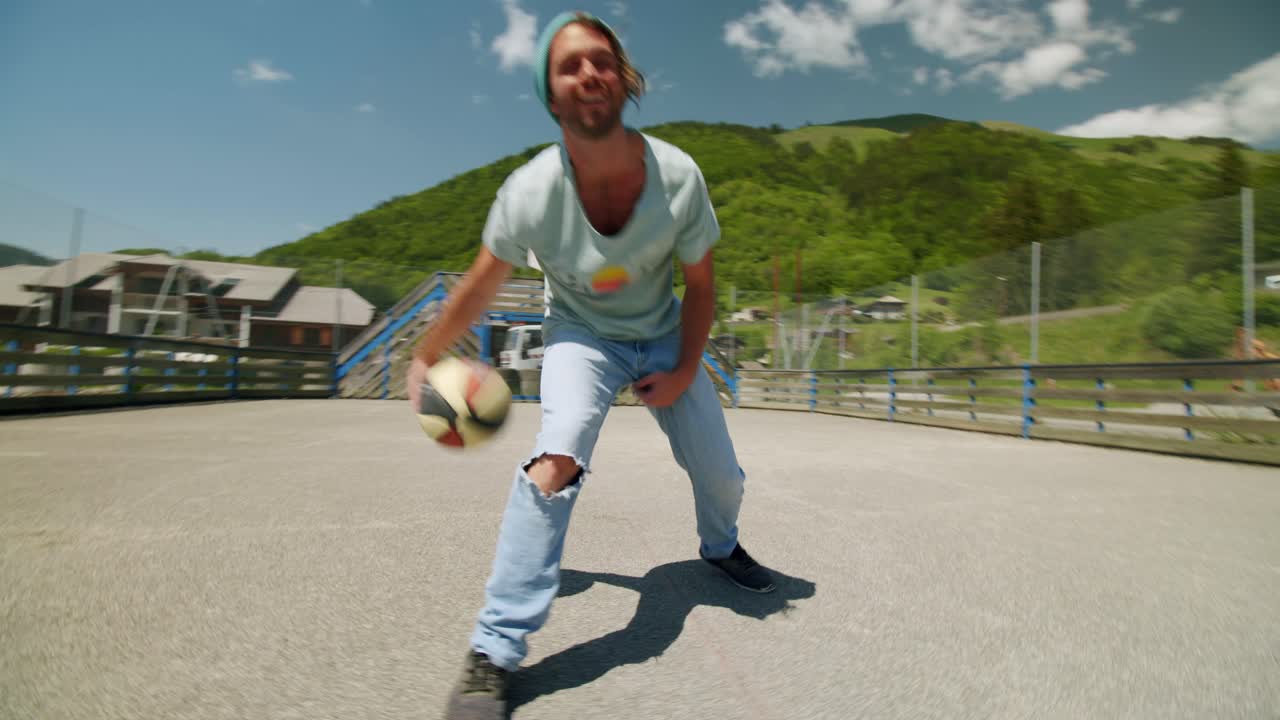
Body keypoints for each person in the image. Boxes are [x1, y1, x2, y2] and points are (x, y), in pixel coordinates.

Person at [407, 11, 774, 719]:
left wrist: (682, 370)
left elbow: (701, 287)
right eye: (569, 65)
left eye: (601, 59)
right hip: (582, 337)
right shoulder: (530, 192)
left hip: (664, 332)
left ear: (623, 78)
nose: (589, 73)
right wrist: (425, 354)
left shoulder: (677, 176)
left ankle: (721, 547)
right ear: (551, 96)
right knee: (558, 456)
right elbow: (480, 284)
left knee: (721, 473)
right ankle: (494, 650)